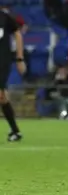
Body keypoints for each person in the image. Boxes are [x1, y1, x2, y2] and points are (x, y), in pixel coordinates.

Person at [0, 10, 26, 141]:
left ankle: (15, 131)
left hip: (2, 61)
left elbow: (17, 33)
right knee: (2, 98)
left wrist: (19, 58)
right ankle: (15, 131)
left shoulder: (4, 17)